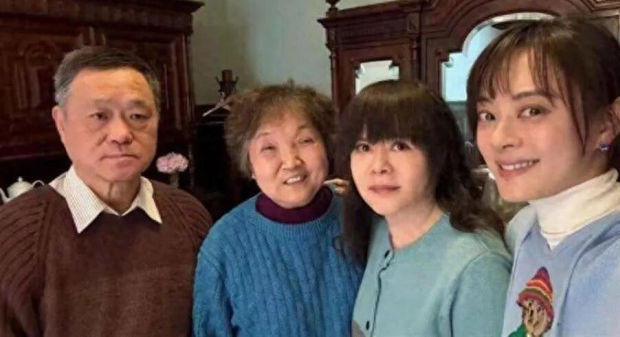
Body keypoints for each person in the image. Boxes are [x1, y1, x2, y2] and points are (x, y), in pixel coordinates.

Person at [466, 17, 620, 336]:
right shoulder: (524, 231)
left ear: (608, 122)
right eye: (488, 115)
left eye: (533, 110)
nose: (500, 138)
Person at [0, 47, 212, 336]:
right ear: (61, 124)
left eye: (138, 115)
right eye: (99, 116)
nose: (121, 134)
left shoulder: (189, 216)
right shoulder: (14, 235)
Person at [337, 79, 511, 337]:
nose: (378, 166)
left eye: (400, 146)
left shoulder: (478, 269)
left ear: (439, 155)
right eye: (364, 148)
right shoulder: (380, 229)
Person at [193, 82, 363, 336]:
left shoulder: (362, 219)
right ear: (249, 164)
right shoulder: (224, 244)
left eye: (305, 140)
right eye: (269, 148)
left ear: (327, 146)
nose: (291, 162)